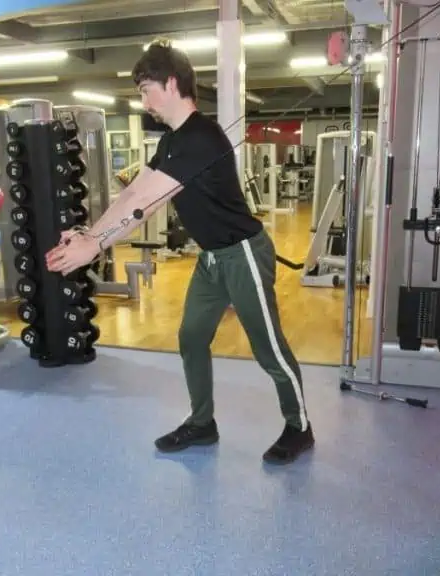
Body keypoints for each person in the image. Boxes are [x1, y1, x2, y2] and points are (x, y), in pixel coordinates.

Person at [45, 40, 314, 465]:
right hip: (211, 258)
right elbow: (135, 190)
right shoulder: (172, 141)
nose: (143, 100)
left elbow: (145, 205)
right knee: (191, 338)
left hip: (242, 253)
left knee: (269, 350)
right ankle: (202, 423)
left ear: (171, 83)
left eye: (146, 88)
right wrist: (87, 232)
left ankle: (299, 427)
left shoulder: (200, 138)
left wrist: (95, 245)